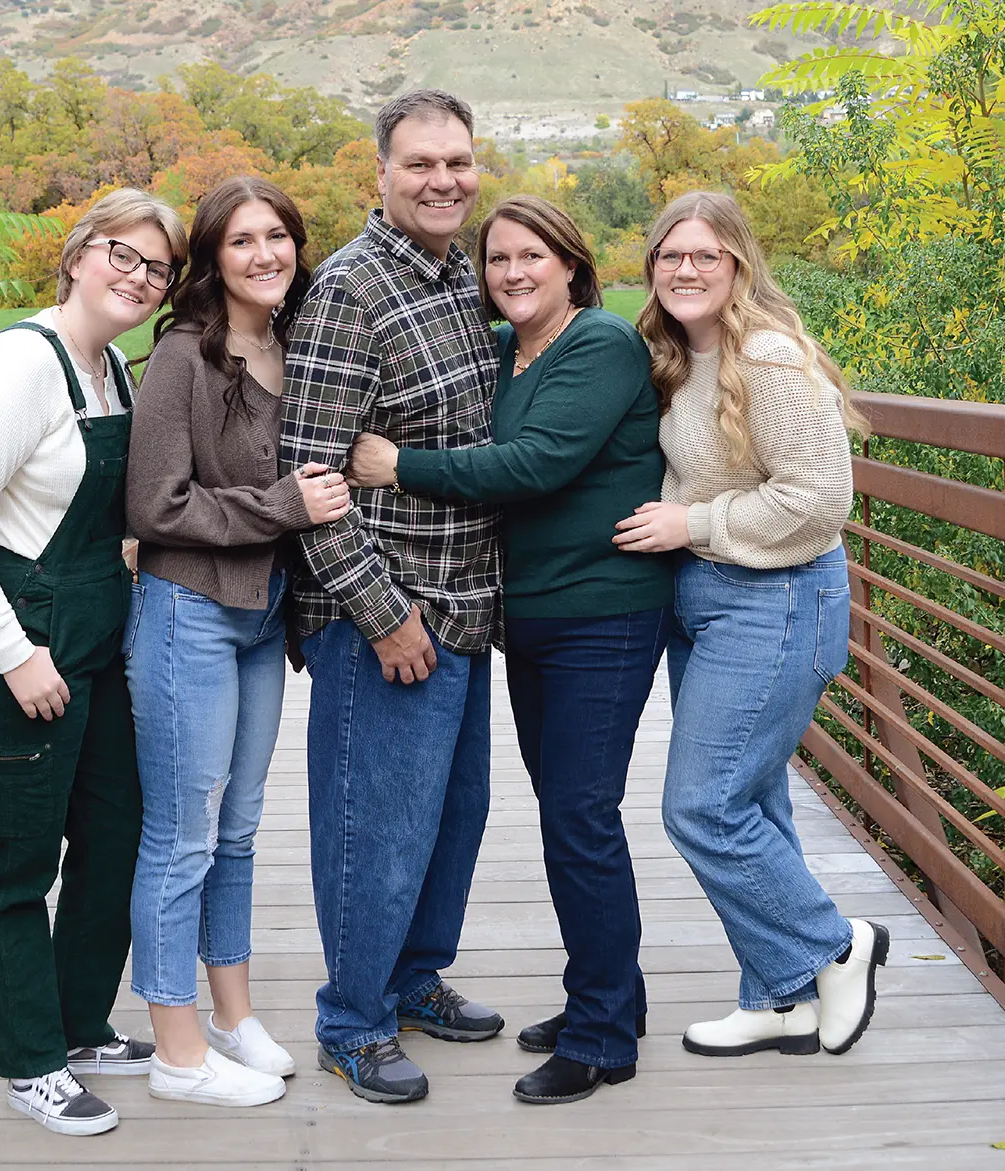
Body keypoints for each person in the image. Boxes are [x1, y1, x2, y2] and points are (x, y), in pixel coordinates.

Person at [345, 194, 674, 1105]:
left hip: (601, 615)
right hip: (528, 614)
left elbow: (536, 462)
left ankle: (603, 1036)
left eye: (533, 255)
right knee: (568, 811)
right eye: (497, 260)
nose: (513, 272)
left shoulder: (601, 345)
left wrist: (395, 467)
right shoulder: (501, 351)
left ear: (572, 265)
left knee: (580, 817)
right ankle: (613, 997)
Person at [0, 188, 187, 1136]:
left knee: (118, 837)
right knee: (14, 863)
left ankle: (79, 1023)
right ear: (77, 254)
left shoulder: (108, 366)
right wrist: (15, 653)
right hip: (18, 647)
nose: (138, 278)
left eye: (157, 268)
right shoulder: (20, 364)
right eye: (123, 253)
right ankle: (31, 1060)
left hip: (96, 642)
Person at [613, 190, 888, 1059]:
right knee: (754, 802)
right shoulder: (678, 354)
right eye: (671, 255)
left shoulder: (765, 356)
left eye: (707, 255)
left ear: (738, 266)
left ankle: (836, 944)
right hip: (710, 601)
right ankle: (780, 997)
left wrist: (688, 525)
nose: (686, 269)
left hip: (778, 600)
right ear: (651, 268)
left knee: (701, 806)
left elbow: (819, 499)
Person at [278, 88, 506, 1105]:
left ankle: (414, 982)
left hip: (467, 605)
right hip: (387, 619)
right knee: (376, 826)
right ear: (381, 172)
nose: (443, 179)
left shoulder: (460, 277)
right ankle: (354, 1019)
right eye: (421, 163)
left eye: (458, 161)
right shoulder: (348, 291)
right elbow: (310, 476)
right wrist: (384, 615)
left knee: (452, 819)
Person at [122, 176, 352, 1108]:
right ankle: (176, 1052)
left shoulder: (295, 342)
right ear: (214, 259)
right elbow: (156, 504)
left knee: (241, 828)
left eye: (279, 237)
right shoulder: (183, 356)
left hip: (262, 618)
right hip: (188, 613)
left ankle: (231, 1013)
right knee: (184, 836)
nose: (266, 254)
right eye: (243, 241)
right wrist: (284, 506)